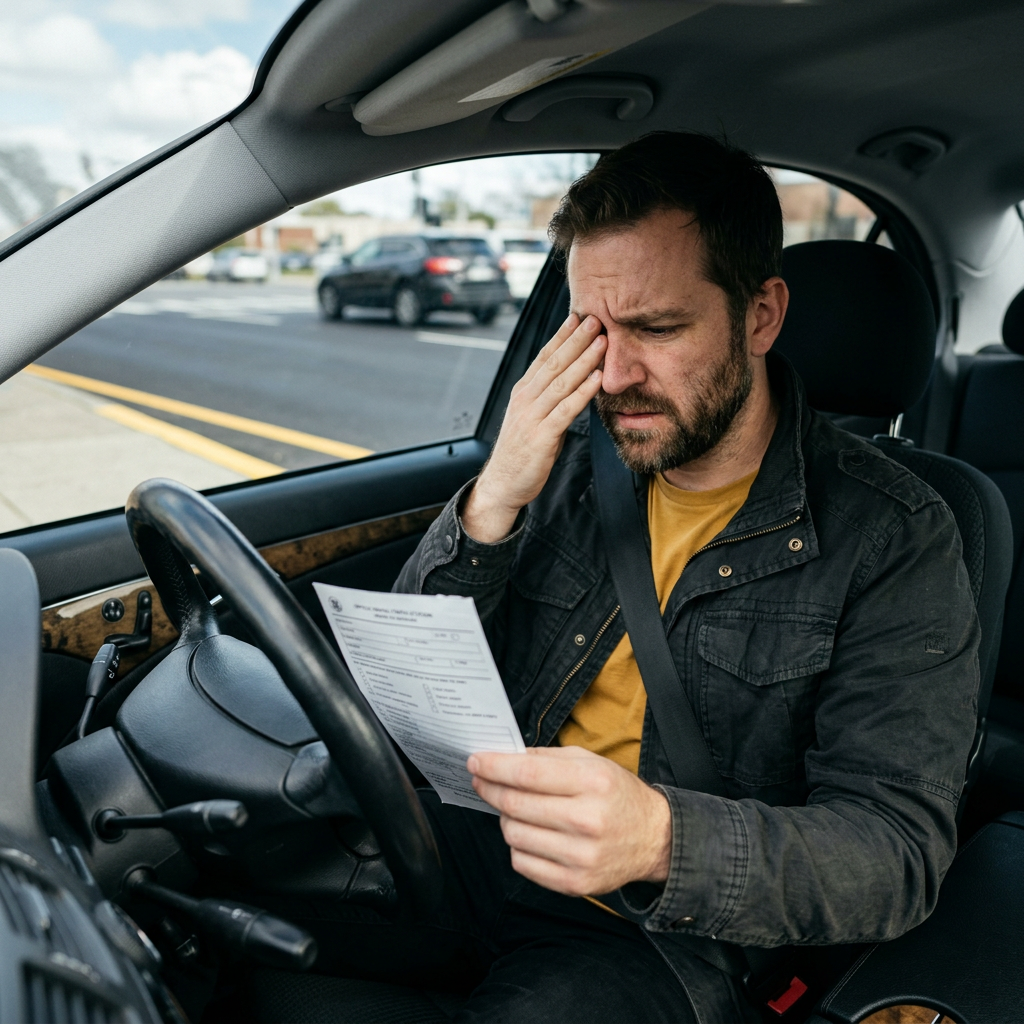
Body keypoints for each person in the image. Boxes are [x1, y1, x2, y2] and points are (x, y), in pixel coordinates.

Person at [386, 132, 980, 1021]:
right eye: (590, 330)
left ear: (761, 315)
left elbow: (895, 856)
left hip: (657, 930)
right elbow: (412, 680)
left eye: (658, 329)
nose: (614, 375)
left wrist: (661, 839)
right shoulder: (565, 461)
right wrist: (493, 501)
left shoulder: (893, 533)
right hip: (476, 841)